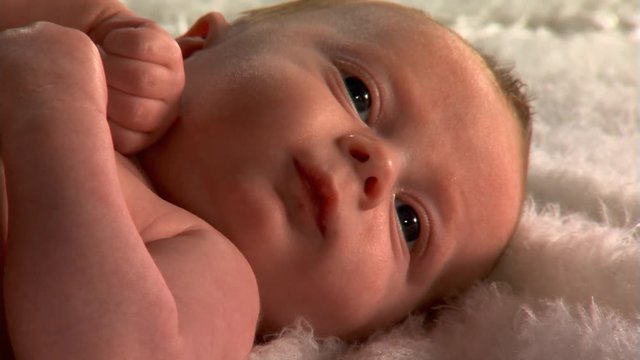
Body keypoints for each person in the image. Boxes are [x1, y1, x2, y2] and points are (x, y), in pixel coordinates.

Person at [0, 0, 532, 358]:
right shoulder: (85, 58)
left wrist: (53, 115)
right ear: (197, 44)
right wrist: (103, 22)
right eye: (359, 94)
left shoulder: (210, 269)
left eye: (410, 222)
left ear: (369, 330)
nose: (379, 167)